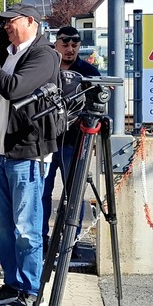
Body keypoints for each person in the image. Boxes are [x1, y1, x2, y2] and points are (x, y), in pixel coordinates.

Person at [0, 3, 61, 306]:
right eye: (3, 22)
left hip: (25, 154)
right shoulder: (10, 53)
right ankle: (12, 284)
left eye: (10, 21)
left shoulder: (43, 55)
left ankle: (31, 291)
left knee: (26, 229)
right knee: (4, 228)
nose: (5, 26)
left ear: (30, 21)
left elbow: (13, 89)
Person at [42, 26, 102, 251]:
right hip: (46, 141)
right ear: (55, 44)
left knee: (73, 195)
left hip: (74, 143)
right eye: (65, 44)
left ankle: (71, 241)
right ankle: (42, 239)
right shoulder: (45, 68)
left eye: (74, 45)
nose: (69, 49)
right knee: (42, 194)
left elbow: (98, 109)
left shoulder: (88, 71)